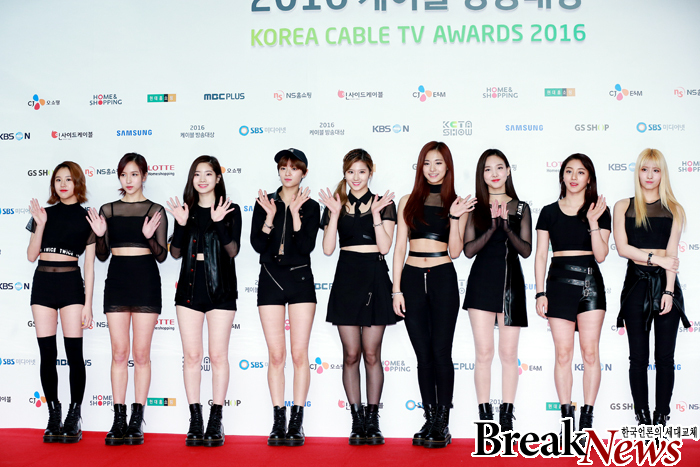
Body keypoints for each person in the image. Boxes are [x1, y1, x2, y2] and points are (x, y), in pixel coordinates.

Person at [392, 141, 475, 448]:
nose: (432, 168)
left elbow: (455, 251)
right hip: (412, 278)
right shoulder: (407, 200)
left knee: (441, 352)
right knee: (423, 355)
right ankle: (429, 419)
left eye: (438, 162)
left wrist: (454, 217)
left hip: (442, 277)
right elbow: (399, 248)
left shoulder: (458, 203)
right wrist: (396, 289)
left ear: (447, 166)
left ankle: (442, 423)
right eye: (427, 162)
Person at [86, 153, 168, 446]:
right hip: (118, 281)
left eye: (134, 174)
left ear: (144, 176)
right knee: (119, 353)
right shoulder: (107, 210)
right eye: (124, 175)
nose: (129, 180)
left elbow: (162, 255)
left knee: (141, 354)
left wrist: (148, 236)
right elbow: (102, 255)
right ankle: (118, 419)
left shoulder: (156, 210)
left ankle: (136, 420)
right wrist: (100, 235)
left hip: (146, 281)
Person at [319, 149, 397, 445]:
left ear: (370, 173)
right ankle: (357, 420)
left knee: (372, 353)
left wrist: (376, 215)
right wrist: (334, 214)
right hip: (347, 277)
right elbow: (328, 249)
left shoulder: (383, 203)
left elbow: (385, 247)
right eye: (351, 171)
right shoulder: (336, 203)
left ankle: (373, 420)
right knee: (351, 354)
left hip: (374, 276)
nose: (356, 177)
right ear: (344, 172)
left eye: (361, 171)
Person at [166, 156, 241, 446]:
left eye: (208, 174)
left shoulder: (230, 209)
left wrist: (219, 222)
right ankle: (195, 419)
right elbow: (175, 253)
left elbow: (232, 251)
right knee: (192, 356)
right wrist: (181, 224)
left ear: (218, 178)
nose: (202, 179)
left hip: (221, 290)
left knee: (218, 356)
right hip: (189, 289)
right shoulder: (185, 210)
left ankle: (216, 420)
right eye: (197, 174)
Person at [612, 148, 689, 427]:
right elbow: (623, 248)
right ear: (638, 171)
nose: (649, 175)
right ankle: (642, 417)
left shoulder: (674, 209)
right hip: (636, 284)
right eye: (645, 169)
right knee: (638, 357)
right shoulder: (623, 206)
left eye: (656, 170)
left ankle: (661, 416)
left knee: (665, 357)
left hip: (666, 284)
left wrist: (668, 291)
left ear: (662, 174)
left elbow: (672, 255)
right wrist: (657, 259)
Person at [534, 153, 610, 431]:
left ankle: (586, 420)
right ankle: (567, 421)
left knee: (590, 353)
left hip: (590, 285)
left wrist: (592, 222)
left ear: (589, 178)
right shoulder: (548, 212)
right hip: (558, 286)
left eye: (580, 172)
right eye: (569, 171)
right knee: (563, 354)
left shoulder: (600, 211)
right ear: (562, 176)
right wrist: (540, 293)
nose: (574, 177)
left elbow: (601, 255)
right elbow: (541, 255)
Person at [251, 148, 320, 446]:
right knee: (276, 355)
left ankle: (297, 421)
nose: (287, 172)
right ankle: (278, 420)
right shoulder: (265, 202)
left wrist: (294, 215)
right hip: (270, 278)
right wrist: (269, 217)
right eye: (283, 167)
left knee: (299, 354)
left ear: (304, 172)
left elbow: (305, 247)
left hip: (300, 279)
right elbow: (257, 244)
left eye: (294, 168)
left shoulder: (311, 206)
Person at [27, 161, 95, 443]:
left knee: (74, 354)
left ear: (78, 182)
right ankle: (53, 414)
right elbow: (31, 255)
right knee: (47, 354)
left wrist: (88, 304)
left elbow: (89, 266)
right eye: (58, 180)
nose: (63, 184)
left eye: (68, 179)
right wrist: (40, 225)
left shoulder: (89, 217)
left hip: (71, 286)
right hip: (43, 284)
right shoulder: (43, 214)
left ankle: (73, 416)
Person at [463, 149, 531, 432]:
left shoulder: (521, 208)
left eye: (499, 167)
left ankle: (506, 416)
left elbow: (526, 250)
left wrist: (506, 227)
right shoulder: (474, 207)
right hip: (481, 283)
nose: (494, 174)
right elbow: (468, 251)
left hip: (511, 285)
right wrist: (491, 228)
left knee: (508, 354)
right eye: (488, 169)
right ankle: (485, 417)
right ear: (482, 175)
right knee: (483, 353)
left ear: (508, 171)